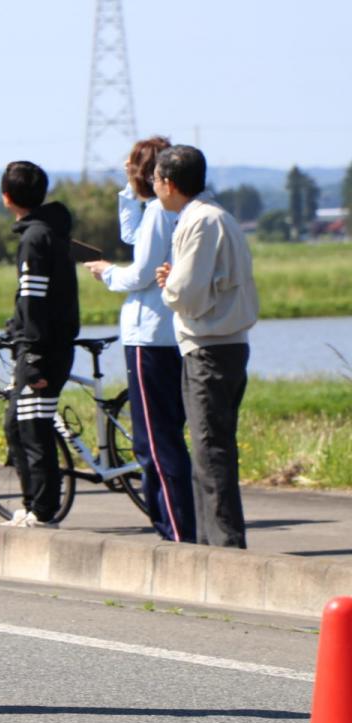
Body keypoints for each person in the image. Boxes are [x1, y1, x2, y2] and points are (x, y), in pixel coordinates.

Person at [83, 137, 196, 543]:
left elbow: (140, 270)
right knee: (169, 436)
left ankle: (177, 532)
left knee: (154, 441)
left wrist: (107, 273)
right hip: (178, 336)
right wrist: (129, 192)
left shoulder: (158, 216)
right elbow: (134, 235)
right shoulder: (177, 212)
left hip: (150, 336)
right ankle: (179, 526)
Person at [154, 145, 259, 549]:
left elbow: (187, 294)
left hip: (208, 347)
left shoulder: (197, 221)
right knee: (210, 446)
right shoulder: (218, 216)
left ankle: (224, 548)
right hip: (226, 344)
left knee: (210, 449)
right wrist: (176, 279)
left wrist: (170, 285)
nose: (154, 187)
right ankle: (211, 542)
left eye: (156, 180)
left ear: (169, 183)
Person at [0, 161, 79, 528]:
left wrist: (31, 357)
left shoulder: (35, 238)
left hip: (43, 350)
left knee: (34, 429)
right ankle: (32, 505)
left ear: (6, 197)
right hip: (47, 344)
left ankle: (44, 512)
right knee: (19, 424)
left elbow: (34, 300)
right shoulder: (50, 230)